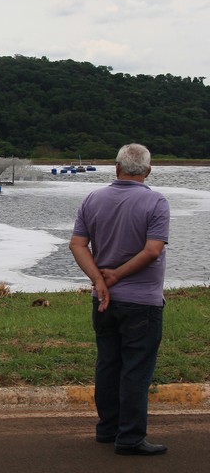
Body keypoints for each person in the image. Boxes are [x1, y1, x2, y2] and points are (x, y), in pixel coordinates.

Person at [69, 143, 170, 456]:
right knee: (136, 371)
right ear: (148, 171)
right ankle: (130, 438)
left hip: (103, 301)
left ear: (116, 168)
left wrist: (100, 281)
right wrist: (116, 276)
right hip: (142, 303)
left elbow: (77, 245)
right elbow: (153, 250)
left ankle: (107, 428)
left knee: (108, 365)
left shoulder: (93, 199)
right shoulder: (156, 202)